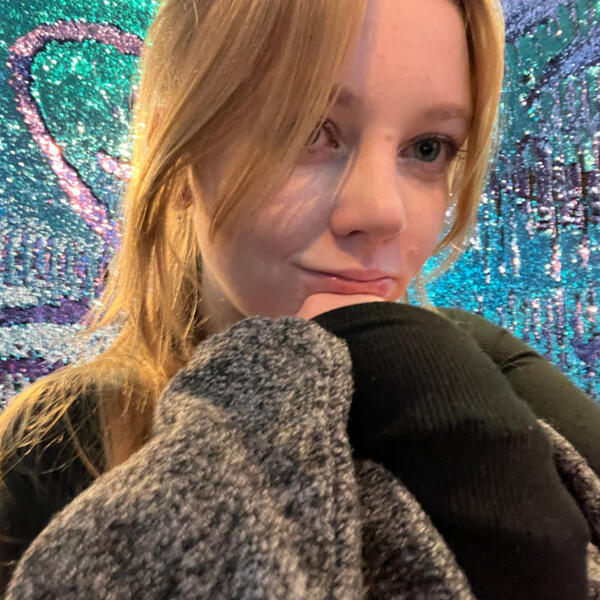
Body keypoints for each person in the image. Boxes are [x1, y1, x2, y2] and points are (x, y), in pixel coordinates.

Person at [2, 0, 600, 597]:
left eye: (428, 148)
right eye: (309, 130)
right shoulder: (55, 443)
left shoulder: (494, 380)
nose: (381, 213)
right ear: (178, 154)